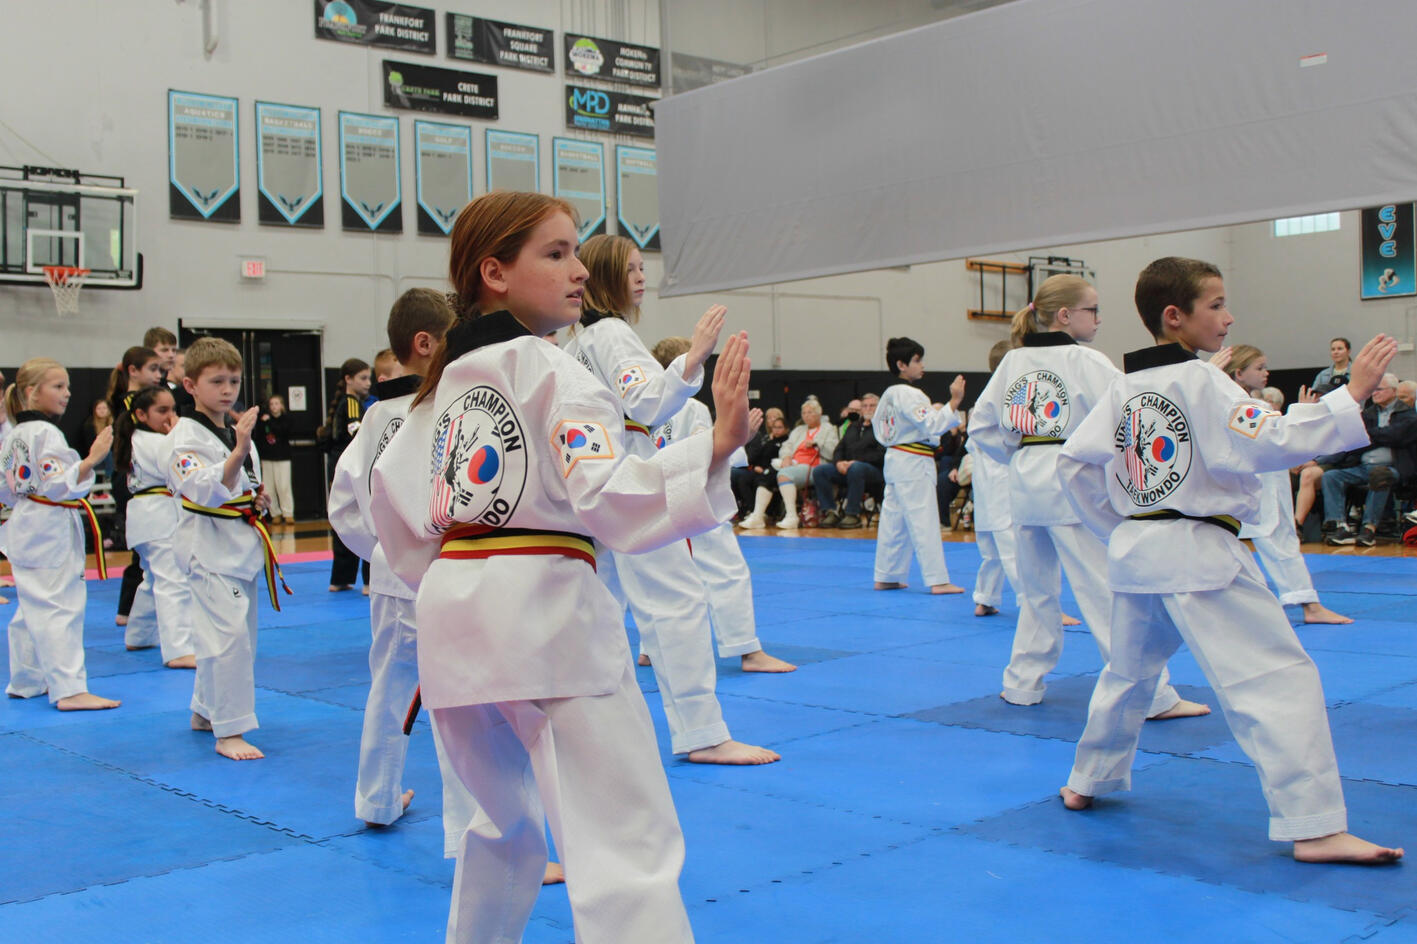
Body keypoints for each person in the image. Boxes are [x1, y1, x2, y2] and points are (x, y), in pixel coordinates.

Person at [369, 191, 759, 943]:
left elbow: (387, 514)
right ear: (495, 273)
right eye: (556, 253)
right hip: (547, 619)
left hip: (456, 625)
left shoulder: (436, 393)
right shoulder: (554, 372)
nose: (580, 270)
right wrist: (713, 447)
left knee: (497, 833)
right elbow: (610, 497)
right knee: (623, 844)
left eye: (576, 252)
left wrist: (458, 583)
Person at [1057, 255, 1403, 865]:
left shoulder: (1127, 385)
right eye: (1215, 305)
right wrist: (1351, 395)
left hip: (1139, 553)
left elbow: (1076, 466)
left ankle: (1088, 780)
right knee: (1277, 678)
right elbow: (1274, 440)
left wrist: (1122, 525)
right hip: (1198, 554)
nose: (1228, 316)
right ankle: (1315, 826)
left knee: (1130, 673)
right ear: (1175, 316)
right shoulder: (1203, 382)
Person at [564, 232, 778, 766]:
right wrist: (696, 356)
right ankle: (703, 733)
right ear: (609, 276)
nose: (642, 277)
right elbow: (647, 400)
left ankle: (579, 729)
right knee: (677, 602)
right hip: (623, 479)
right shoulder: (611, 333)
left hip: (586, 483)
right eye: (632, 269)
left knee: (601, 610)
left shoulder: (575, 343)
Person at [969, 276, 1206, 717]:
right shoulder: (1086, 361)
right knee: (1103, 592)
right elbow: (1130, 412)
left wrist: (1018, 455)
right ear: (1065, 315)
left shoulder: (1012, 362)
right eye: (1092, 310)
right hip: (1069, 482)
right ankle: (1150, 696)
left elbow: (981, 426)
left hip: (1024, 485)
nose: (1098, 319)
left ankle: (1022, 684)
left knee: (1037, 595)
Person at [329, 288, 495, 857]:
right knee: (457, 697)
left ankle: (376, 800)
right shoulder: (445, 407)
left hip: (392, 577)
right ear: (426, 344)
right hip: (447, 572)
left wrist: (384, 553)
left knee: (389, 686)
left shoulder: (374, 416)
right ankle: (470, 835)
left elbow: (344, 509)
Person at [649, 336, 796, 674]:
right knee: (728, 570)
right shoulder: (692, 407)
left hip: (659, 500)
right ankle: (748, 651)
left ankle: (649, 648)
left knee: (664, 575)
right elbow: (709, 457)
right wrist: (735, 436)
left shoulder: (650, 408)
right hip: (695, 498)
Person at [168, 338, 284, 761]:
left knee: (241, 637)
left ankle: (205, 710)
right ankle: (230, 731)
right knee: (228, 639)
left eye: (233, 380)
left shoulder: (236, 431)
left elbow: (244, 481)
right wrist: (237, 450)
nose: (228, 388)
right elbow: (201, 486)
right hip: (208, 549)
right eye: (216, 380)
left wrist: (258, 497)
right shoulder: (184, 436)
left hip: (240, 546)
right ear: (190, 385)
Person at [0, 358, 120, 710]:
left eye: (67, 386)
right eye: (58, 386)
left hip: (25, 522)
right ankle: (69, 690)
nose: (67, 394)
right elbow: (56, 484)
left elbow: (6, 490)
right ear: (31, 392)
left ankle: (26, 679)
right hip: (48, 525)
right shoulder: (45, 433)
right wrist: (91, 459)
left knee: (33, 606)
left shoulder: (14, 433)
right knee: (60, 606)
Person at [1215, 346, 1351, 624]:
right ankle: (1307, 606)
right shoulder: (1235, 404)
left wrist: (1300, 414)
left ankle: (1300, 603)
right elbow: (1271, 438)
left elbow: (1275, 437)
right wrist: (1303, 414)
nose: (1266, 373)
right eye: (1259, 368)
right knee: (1277, 541)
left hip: (1263, 485)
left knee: (1272, 542)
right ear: (1239, 372)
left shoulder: (1248, 404)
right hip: (1251, 489)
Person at [872, 336, 966, 594]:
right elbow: (933, 425)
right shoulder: (911, 394)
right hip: (913, 462)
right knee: (923, 519)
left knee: (894, 519)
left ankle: (886, 575)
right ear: (901, 365)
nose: (922, 365)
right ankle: (938, 580)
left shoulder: (889, 395)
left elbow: (879, 429)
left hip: (895, 459)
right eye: (916, 360)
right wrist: (954, 402)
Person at [111, 385, 197, 667]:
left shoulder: (137, 438)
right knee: (173, 581)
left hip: (145, 516)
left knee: (153, 579)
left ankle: (139, 634)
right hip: (158, 516)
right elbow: (177, 469)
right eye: (162, 410)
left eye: (173, 409)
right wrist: (178, 436)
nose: (170, 416)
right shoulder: (156, 442)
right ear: (140, 414)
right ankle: (178, 650)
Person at [106, 346, 164, 631]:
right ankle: (128, 608)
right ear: (133, 371)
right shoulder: (128, 404)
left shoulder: (136, 401)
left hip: (136, 477)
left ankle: (131, 611)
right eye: (153, 369)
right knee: (143, 550)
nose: (158, 375)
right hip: (132, 479)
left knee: (145, 552)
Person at [1320, 372, 1415, 546]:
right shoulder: (1368, 413)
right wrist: (1378, 436)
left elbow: (1396, 436)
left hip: (1395, 468)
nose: (1374, 393)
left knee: (1380, 475)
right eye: (1373, 390)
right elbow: (1357, 439)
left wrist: (1370, 436)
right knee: (1331, 476)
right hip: (1363, 466)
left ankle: (1368, 529)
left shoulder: (1407, 414)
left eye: (1379, 389)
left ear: (1393, 391)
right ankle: (1340, 526)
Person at [326, 357, 371, 592]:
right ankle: (369, 580)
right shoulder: (352, 403)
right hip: (351, 467)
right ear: (348, 379)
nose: (368, 383)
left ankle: (340, 578)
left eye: (369, 378)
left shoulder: (342, 403)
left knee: (343, 519)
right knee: (365, 518)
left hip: (338, 466)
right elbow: (357, 433)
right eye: (363, 378)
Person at [814, 392, 885, 528]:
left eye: (872, 406)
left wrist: (856, 461)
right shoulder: (853, 426)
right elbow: (839, 448)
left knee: (856, 468)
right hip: (849, 469)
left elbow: (881, 454)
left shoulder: (883, 427)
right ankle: (831, 511)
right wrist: (839, 462)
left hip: (874, 471)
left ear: (880, 407)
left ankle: (853, 514)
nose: (868, 409)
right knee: (820, 471)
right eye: (865, 406)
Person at [769, 398, 839, 529]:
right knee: (768, 476)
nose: (806, 415)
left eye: (810, 412)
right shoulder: (798, 430)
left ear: (819, 414)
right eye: (804, 413)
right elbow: (786, 446)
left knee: (784, 475)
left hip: (816, 467)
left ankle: (791, 516)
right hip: (795, 465)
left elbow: (833, 451)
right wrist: (786, 457)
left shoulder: (829, 429)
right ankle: (759, 514)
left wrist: (817, 444)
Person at [736, 407, 790, 527]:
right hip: (760, 468)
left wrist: (766, 468)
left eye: (779, 426)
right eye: (769, 418)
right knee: (743, 479)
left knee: (762, 479)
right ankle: (753, 511)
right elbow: (758, 455)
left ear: (786, 429)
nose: (772, 422)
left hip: (774, 469)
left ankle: (762, 513)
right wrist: (755, 466)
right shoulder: (766, 439)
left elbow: (780, 457)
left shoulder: (786, 441)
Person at [258, 395, 294, 523]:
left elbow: (283, 431)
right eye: (272, 404)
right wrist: (265, 422)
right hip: (268, 456)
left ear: (281, 406)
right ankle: (275, 513)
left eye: (276, 404)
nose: (274, 407)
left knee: (283, 486)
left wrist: (269, 422)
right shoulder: (263, 420)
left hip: (283, 456)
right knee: (269, 487)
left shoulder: (286, 419)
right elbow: (260, 436)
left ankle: (288, 512)